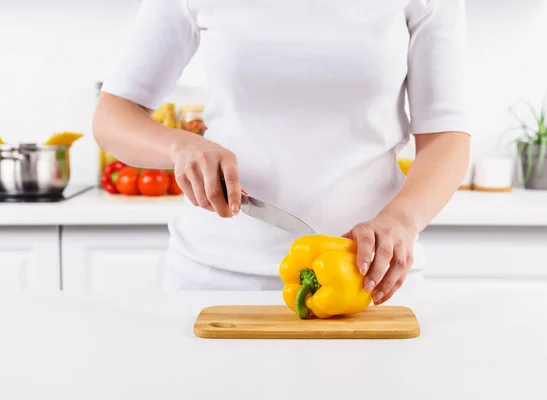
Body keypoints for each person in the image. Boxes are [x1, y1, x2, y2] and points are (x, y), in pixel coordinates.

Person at [93, 0, 471, 304]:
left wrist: (401, 221)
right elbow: (112, 116)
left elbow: (447, 136)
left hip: (367, 279)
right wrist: (180, 145)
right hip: (214, 281)